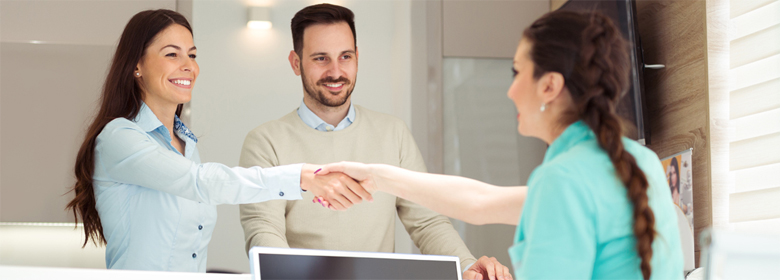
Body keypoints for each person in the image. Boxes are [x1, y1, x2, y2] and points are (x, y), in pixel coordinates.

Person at [317, 10, 684, 280]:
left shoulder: (564, 179)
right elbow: (480, 202)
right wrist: (376, 177)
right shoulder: (638, 161)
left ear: (549, 86)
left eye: (517, 71)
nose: (509, 90)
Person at [65, 9, 370, 272]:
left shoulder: (185, 143)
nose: (189, 66)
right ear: (137, 65)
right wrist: (301, 176)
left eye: (192, 55)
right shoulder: (119, 137)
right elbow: (201, 181)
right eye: (172, 54)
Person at [238, 4, 510, 280]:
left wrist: (466, 266)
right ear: (296, 63)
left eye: (345, 56)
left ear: (357, 57)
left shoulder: (393, 133)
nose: (335, 71)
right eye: (321, 58)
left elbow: (427, 221)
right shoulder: (265, 142)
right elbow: (264, 231)